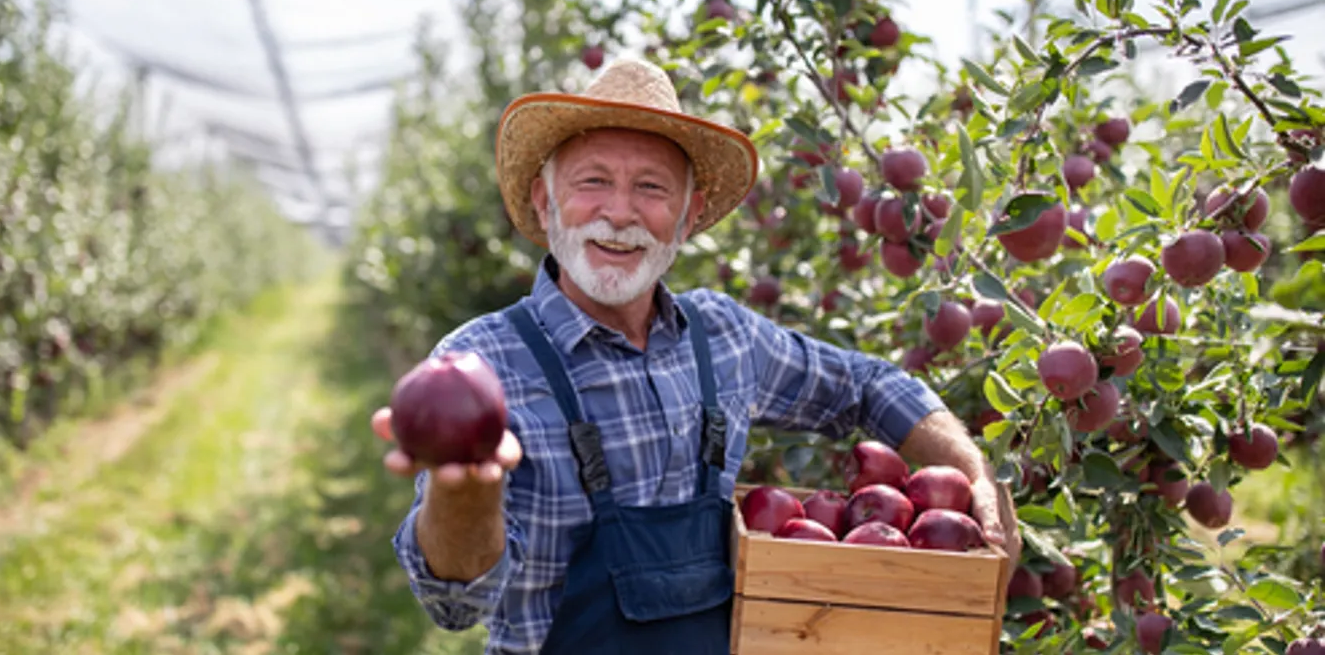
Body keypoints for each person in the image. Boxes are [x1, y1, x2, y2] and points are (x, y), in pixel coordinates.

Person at [370, 58, 1022, 655]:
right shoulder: (483, 367)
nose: (620, 213)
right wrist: (467, 497)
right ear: (545, 203)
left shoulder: (724, 338)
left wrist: (971, 474)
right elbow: (454, 605)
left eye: (652, 188)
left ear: (687, 216)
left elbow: (867, 385)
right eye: (592, 181)